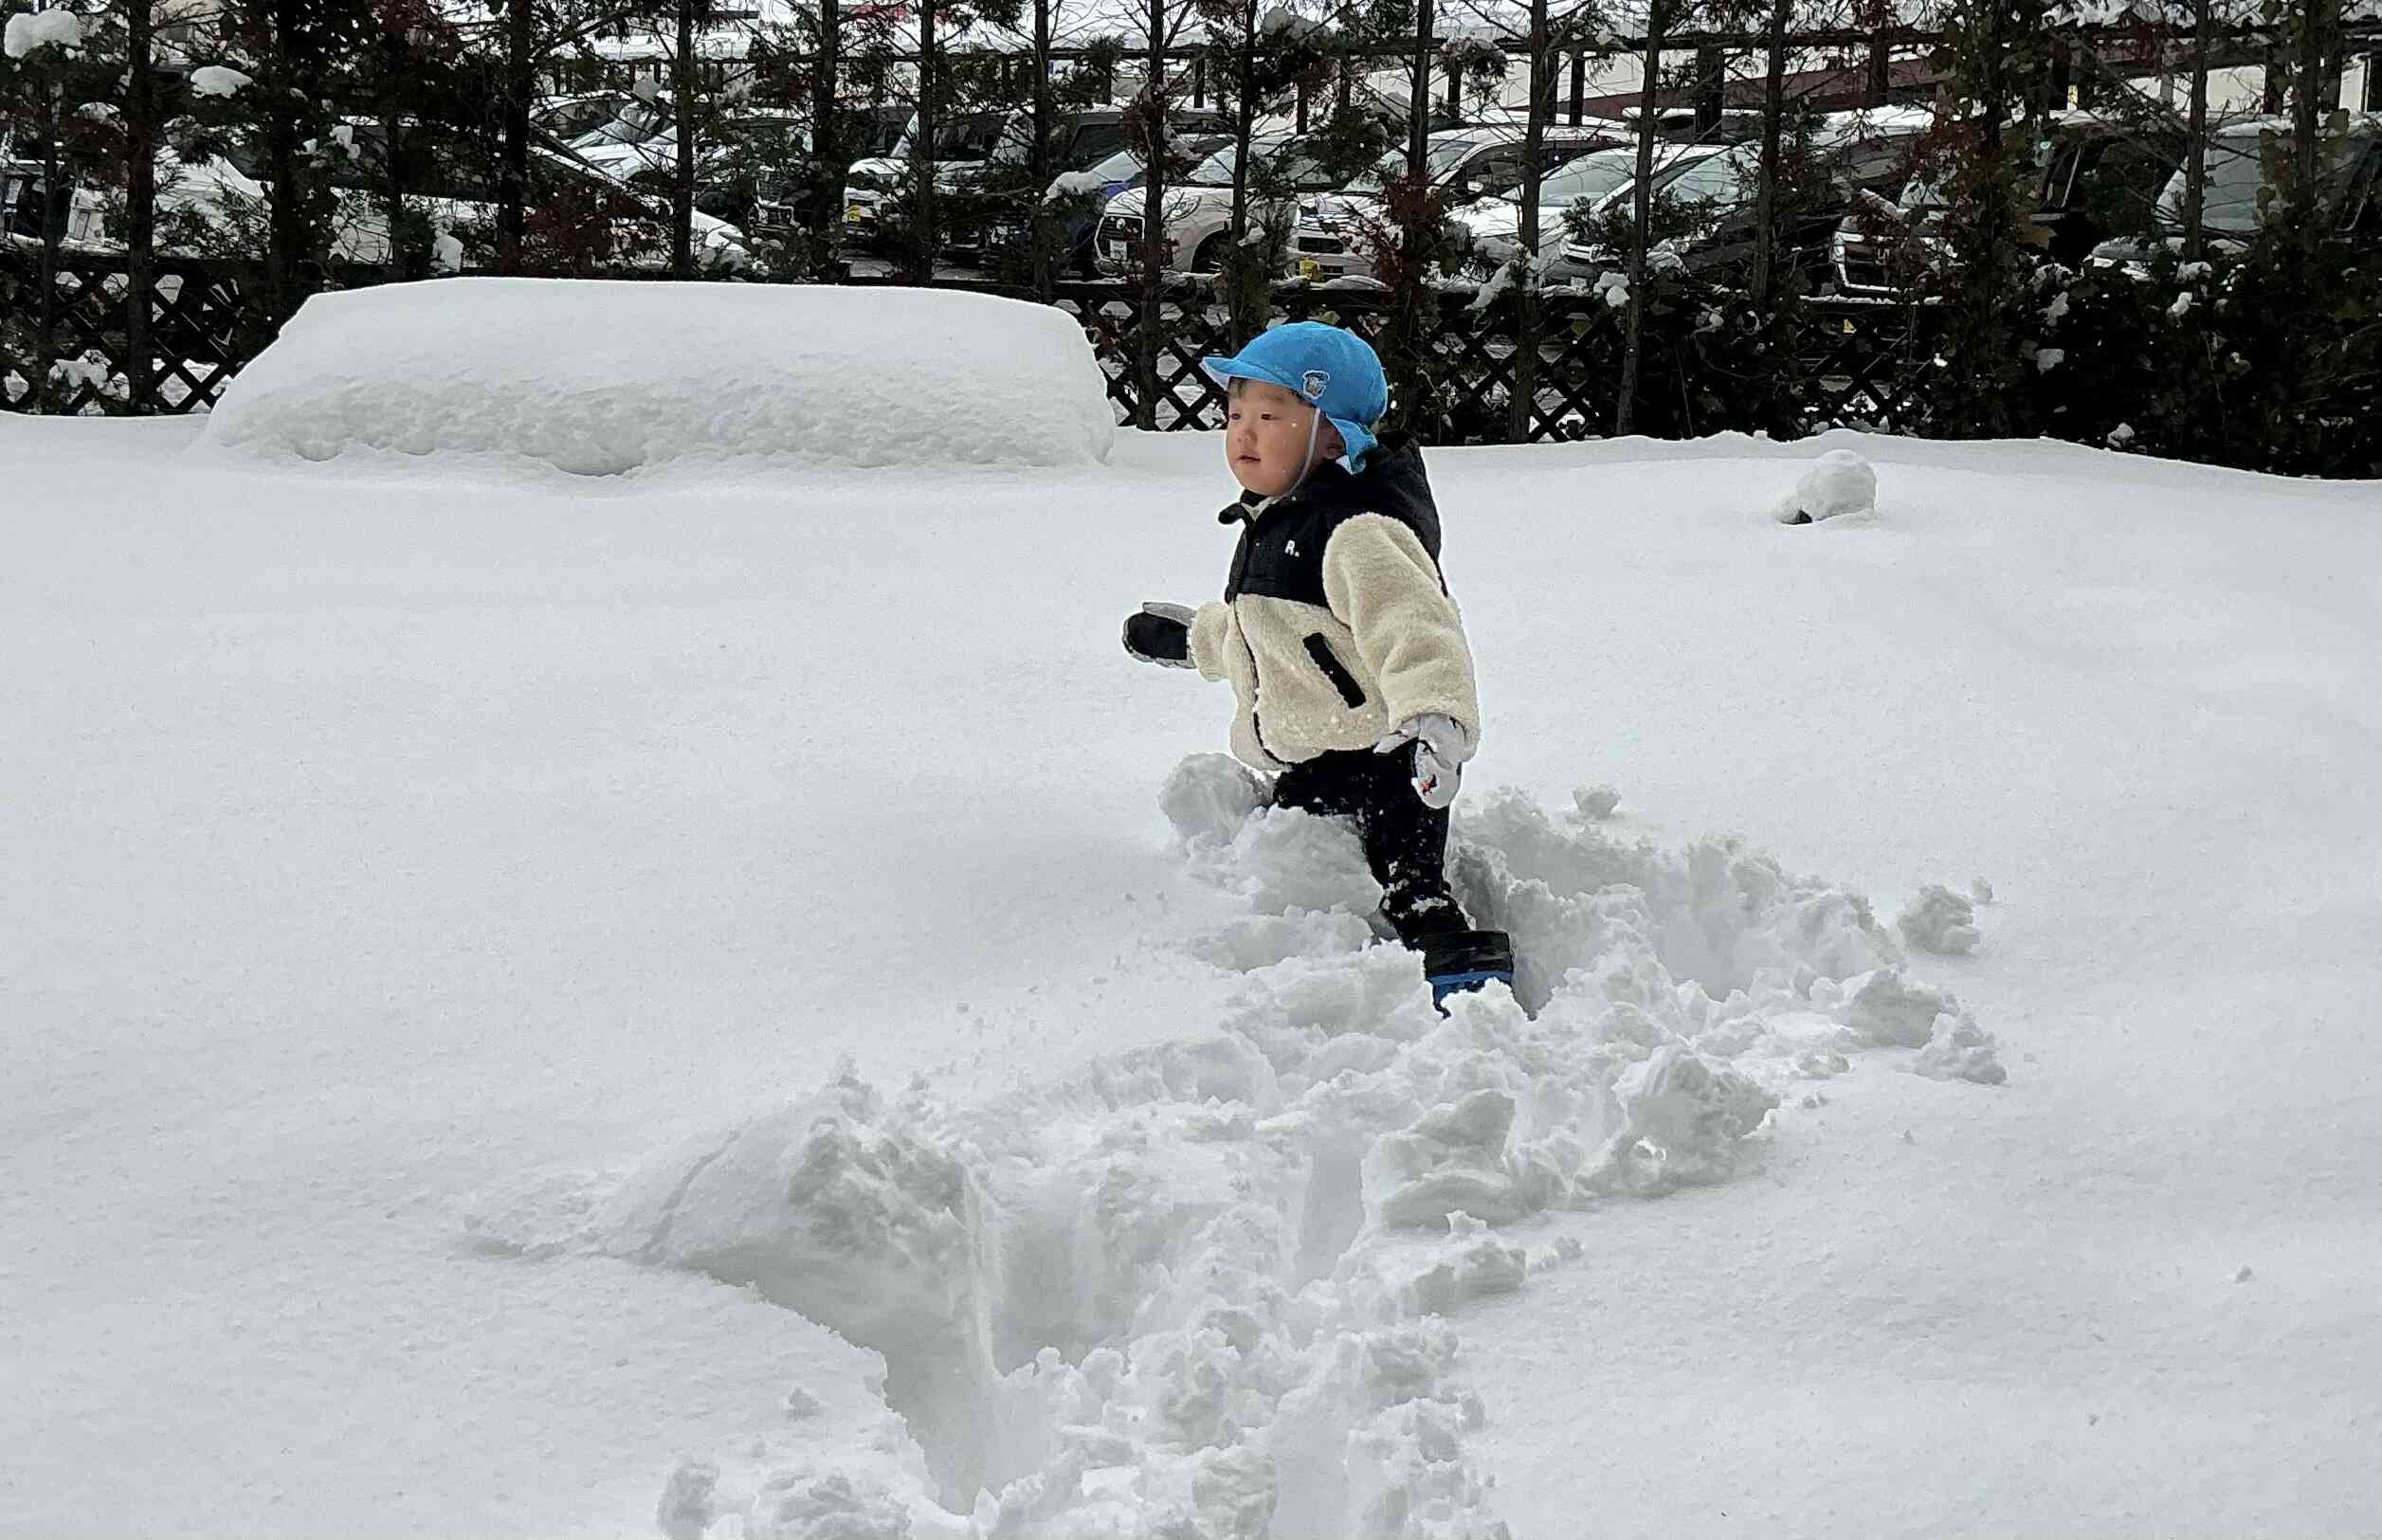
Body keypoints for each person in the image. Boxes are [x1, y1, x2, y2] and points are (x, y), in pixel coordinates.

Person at [1122, 322, 1516, 1007]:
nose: (1243, 434)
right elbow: (1271, 636)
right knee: (1298, 847)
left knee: (1405, 868)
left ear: (1335, 437)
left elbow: (1418, 629)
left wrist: (1435, 719)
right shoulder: (1279, 517)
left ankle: (1445, 945)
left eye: (1270, 417)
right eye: (1235, 415)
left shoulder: (1358, 532)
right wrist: (1193, 639)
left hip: (1389, 753)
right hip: (1315, 750)